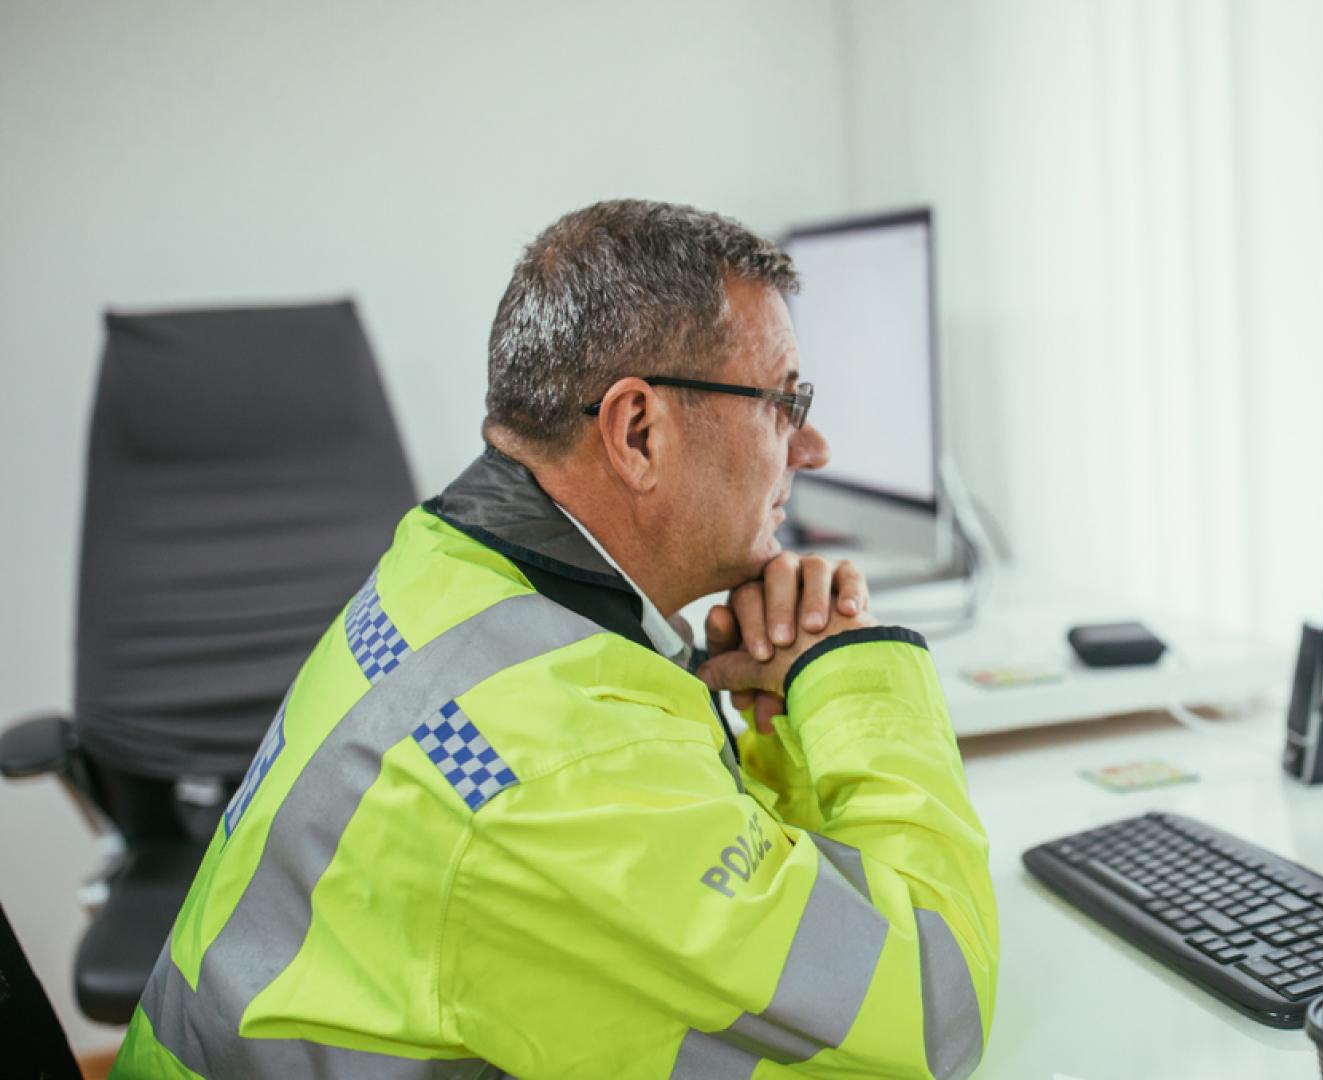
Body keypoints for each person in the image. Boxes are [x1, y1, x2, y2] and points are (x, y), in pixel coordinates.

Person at [112, 201, 998, 1079]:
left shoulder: (444, 572)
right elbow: (932, 1010)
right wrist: (848, 672)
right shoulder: (564, 769)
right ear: (639, 432)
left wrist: (779, 722)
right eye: (784, 401)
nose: (812, 446)